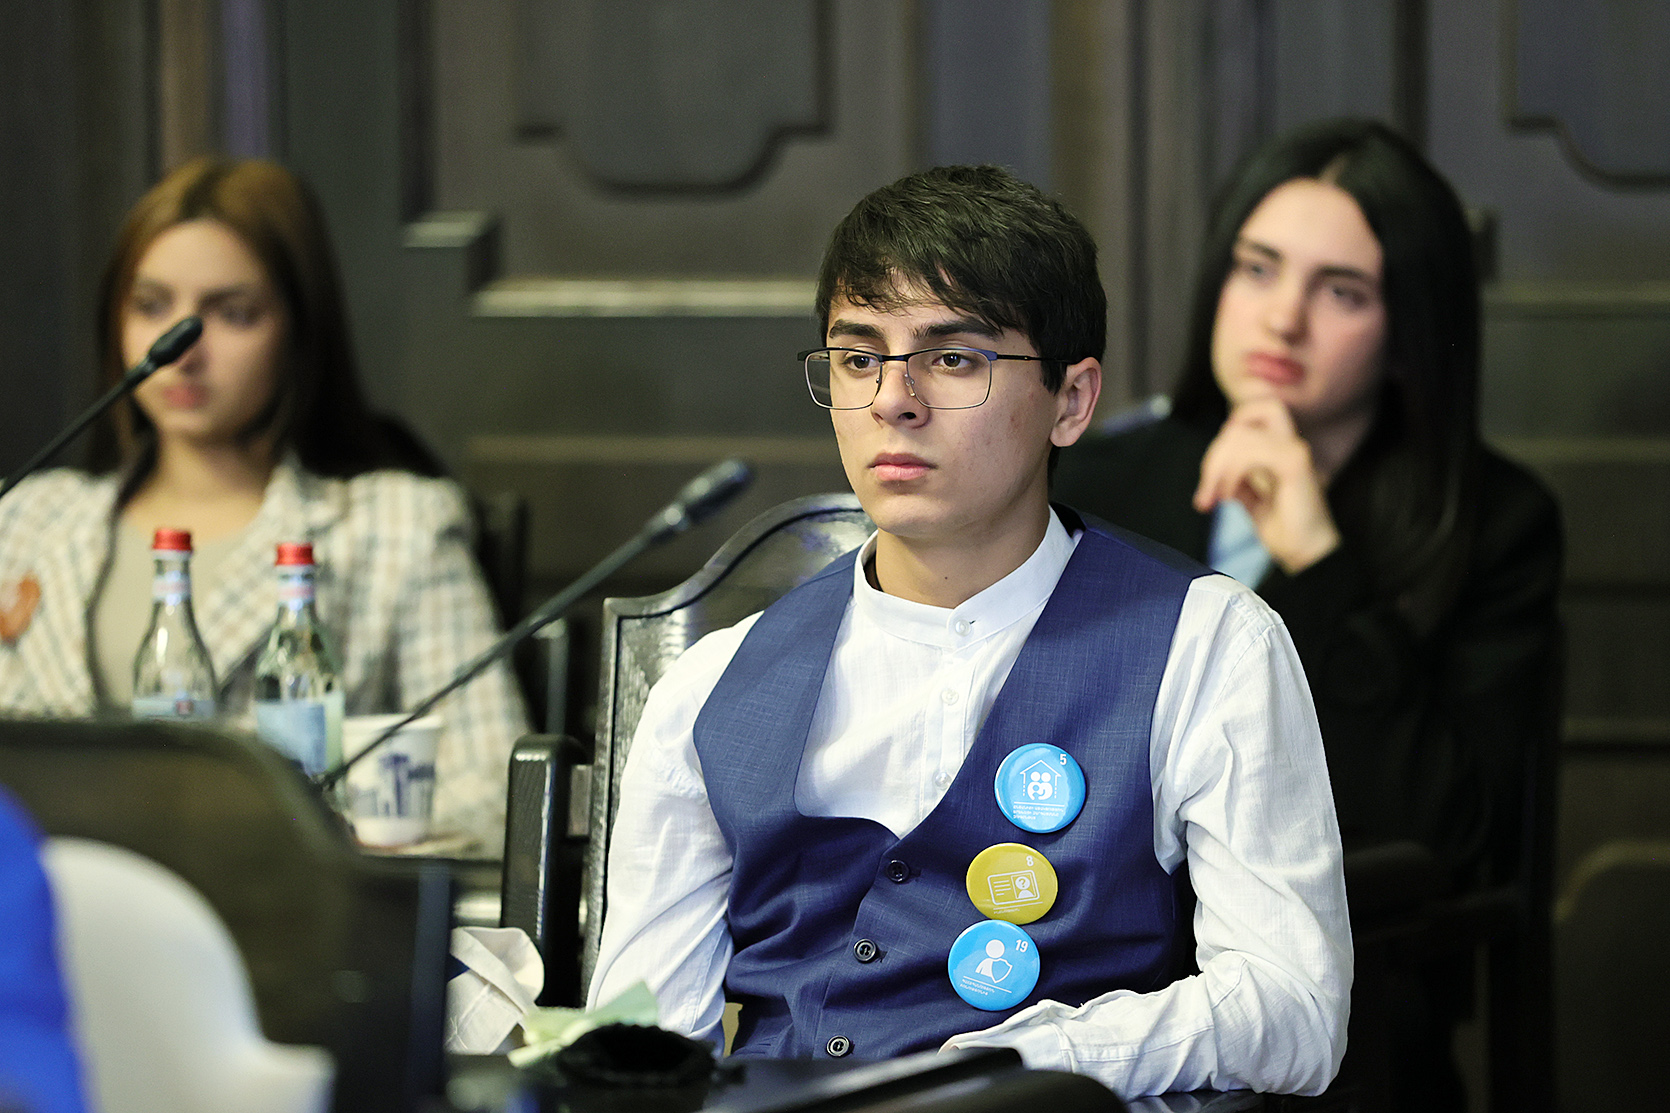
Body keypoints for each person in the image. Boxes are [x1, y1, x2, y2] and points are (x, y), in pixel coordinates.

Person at [589, 165, 1351, 1098]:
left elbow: (1294, 1006)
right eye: (859, 357)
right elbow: (638, 1046)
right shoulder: (711, 687)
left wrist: (1032, 1061)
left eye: (952, 358)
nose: (892, 400)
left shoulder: (1209, 642)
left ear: (1071, 400)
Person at [1052, 119, 1563, 1106]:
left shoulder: (1494, 521)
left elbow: (1448, 832)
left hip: (1350, 1010)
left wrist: (1318, 564)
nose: (1281, 319)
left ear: (1409, 328)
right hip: (1089, 980)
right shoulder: (1099, 480)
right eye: (1257, 269)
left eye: (1341, 291)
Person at [0, 157, 527, 849]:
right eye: (151, 306)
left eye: (233, 313)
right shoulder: (28, 518)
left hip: (276, 904)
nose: (183, 349)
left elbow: (494, 788)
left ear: (299, 330)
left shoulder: (398, 526)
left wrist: (317, 837)